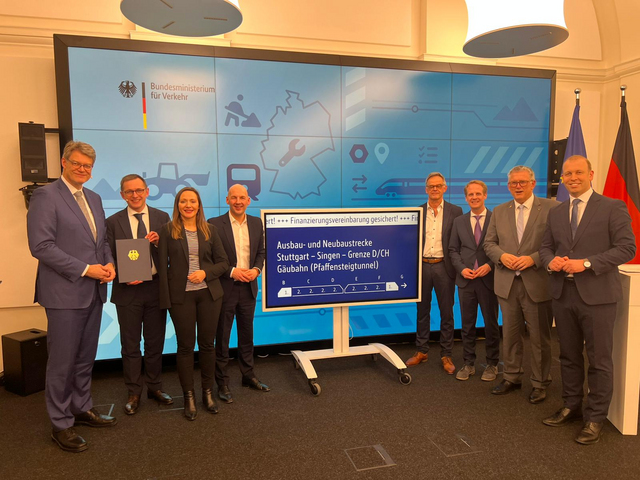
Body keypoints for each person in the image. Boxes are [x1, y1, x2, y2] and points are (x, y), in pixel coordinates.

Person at [27, 141, 116, 453]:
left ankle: (81, 407)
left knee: (84, 357)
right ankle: (61, 423)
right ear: (64, 162)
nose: (82, 169)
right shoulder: (46, 195)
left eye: (88, 166)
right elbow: (41, 246)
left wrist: (109, 264)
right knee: (62, 362)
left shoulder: (94, 197)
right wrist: (86, 269)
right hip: (64, 293)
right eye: (77, 163)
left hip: (94, 292)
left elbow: (102, 242)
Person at [540, 155, 636, 445]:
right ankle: (572, 406)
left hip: (598, 296)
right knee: (568, 355)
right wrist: (550, 261)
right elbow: (545, 248)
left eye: (578, 172)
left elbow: (627, 248)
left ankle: (595, 417)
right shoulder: (557, 212)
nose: (573, 178)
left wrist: (586, 263)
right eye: (568, 174)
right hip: (563, 294)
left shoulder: (612, 207)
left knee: (599, 360)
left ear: (591, 174)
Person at [484, 165, 557, 404]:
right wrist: (502, 256)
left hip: (537, 282)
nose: (518, 186)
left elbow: (557, 243)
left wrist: (534, 259)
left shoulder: (552, 208)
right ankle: (512, 377)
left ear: (533, 184)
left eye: (523, 182)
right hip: (507, 283)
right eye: (514, 183)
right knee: (510, 334)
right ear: (508, 186)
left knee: (539, 338)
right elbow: (489, 243)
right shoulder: (499, 211)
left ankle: (540, 382)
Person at [158, 187, 229, 420]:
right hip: (181, 298)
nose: (188, 205)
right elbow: (162, 267)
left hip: (209, 295)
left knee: (208, 345)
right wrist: (166, 300)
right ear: (177, 205)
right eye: (183, 201)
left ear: (199, 205)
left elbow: (223, 263)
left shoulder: (210, 230)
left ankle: (207, 393)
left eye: (192, 201)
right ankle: (188, 396)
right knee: (185, 347)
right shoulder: (167, 230)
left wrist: (205, 273)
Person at [106, 174, 173, 415]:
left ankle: (154, 387)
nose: (135, 195)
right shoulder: (112, 222)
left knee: (155, 342)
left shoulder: (162, 218)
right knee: (130, 344)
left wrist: (158, 243)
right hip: (127, 290)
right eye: (129, 191)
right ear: (122, 195)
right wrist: (121, 273)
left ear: (147, 192)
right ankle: (134, 392)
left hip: (155, 288)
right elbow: (107, 254)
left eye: (139, 190)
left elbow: (173, 252)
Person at [208, 184, 268, 404]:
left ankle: (248, 375)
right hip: (225, 288)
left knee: (246, 335)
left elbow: (261, 252)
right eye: (234, 198)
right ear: (227, 200)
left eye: (242, 197)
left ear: (248, 200)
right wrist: (232, 271)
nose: (238, 202)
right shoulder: (214, 224)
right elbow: (211, 258)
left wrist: (256, 270)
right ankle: (222, 382)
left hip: (249, 288)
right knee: (222, 337)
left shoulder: (256, 223)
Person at [406, 172, 463, 374]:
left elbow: (458, 241)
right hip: (422, 266)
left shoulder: (456, 211)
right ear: (426, 189)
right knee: (422, 311)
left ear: (445, 188)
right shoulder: (418, 211)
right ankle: (421, 350)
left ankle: (446, 354)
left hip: (444, 267)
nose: (435, 189)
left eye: (438, 186)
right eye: (431, 186)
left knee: (447, 312)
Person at [449, 180, 500, 381]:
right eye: (470, 194)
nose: (474, 197)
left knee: (491, 324)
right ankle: (468, 363)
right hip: (466, 281)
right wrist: (462, 269)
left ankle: (492, 364)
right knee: (467, 325)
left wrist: (490, 265)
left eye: (478, 194)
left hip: (488, 280)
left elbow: (502, 248)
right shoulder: (459, 222)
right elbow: (453, 250)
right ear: (466, 198)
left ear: (485, 195)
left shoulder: (497, 218)